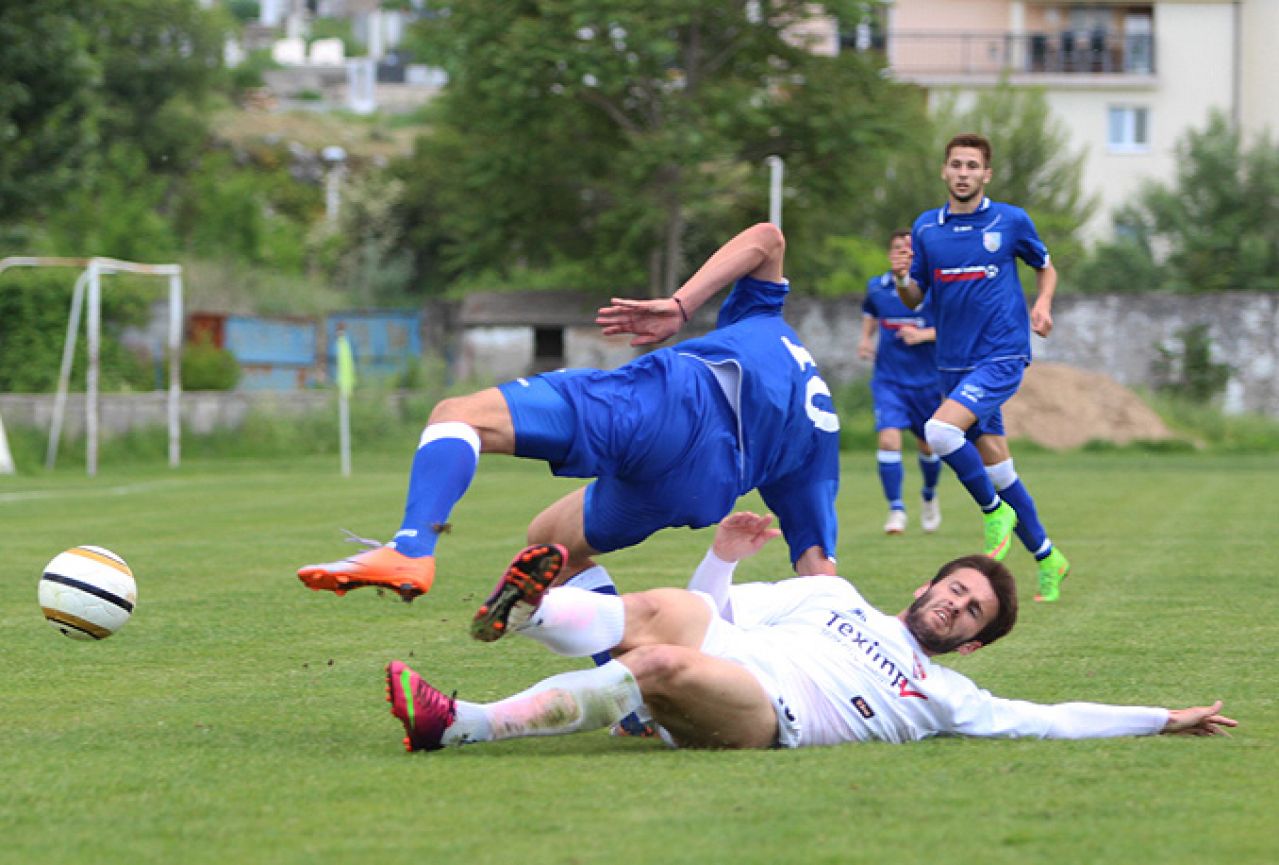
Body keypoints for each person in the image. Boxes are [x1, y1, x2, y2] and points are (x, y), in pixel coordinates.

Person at [297, 222, 842, 606]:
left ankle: (411, 548)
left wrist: (680, 305)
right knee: (548, 544)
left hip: (674, 405)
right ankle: (633, 696)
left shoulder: (766, 318)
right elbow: (819, 571)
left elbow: (767, 238)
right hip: (701, 490)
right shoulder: (822, 445)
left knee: (458, 415)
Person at [384, 513, 1236, 752]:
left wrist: (1159, 716)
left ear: (971, 642)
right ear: (925, 583)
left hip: (767, 715)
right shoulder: (835, 597)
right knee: (677, 617)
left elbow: (1051, 718)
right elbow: (713, 611)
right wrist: (719, 556)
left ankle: (459, 720)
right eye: (954, 589)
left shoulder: (947, 694)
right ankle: (534, 610)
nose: (953, 606)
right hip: (724, 652)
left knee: (663, 658)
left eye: (970, 611)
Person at [895, 132, 1071, 602]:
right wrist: (900, 276)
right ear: (944, 171)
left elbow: (1046, 266)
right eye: (956, 164)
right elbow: (915, 296)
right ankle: (1048, 555)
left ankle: (993, 512)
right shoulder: (927, 229)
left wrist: (1044, 304)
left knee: (939, 433)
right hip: (952, 362)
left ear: (986, 174)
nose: (964, 173)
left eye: (973, 166)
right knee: (1000, 468)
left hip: (1001, 353)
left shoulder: (1010, 221)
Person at [857, 230, 943, 535]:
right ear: (889, 254)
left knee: (929, 446)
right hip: (889, 381)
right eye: (897, 249)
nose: (903, 254)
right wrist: (866, 339)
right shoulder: (877, 287)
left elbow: (953, 328)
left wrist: (922, 335)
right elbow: (870, 311)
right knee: (888, 440)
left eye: (909, 250)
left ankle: (929, 496)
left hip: (928, 383)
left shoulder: (934, 288)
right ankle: (896, 509)